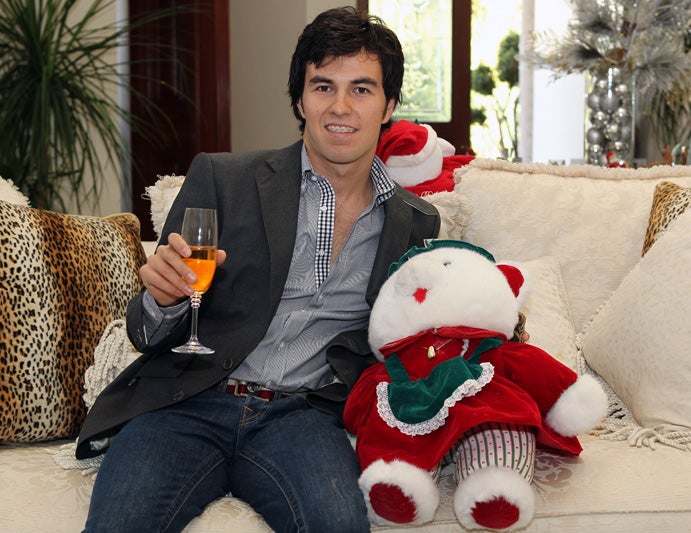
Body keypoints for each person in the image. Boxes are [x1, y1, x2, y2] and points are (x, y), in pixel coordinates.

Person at [77, 6, 440, 532]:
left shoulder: (414, 221)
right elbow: (147, 332)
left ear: (389, 106)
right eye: (323, 86)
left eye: (361, 89)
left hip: (303, 418)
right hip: (188, 403)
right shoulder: (223, 177)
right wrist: (162, 301)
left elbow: (417, 330)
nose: (340, 106)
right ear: (300, 99)